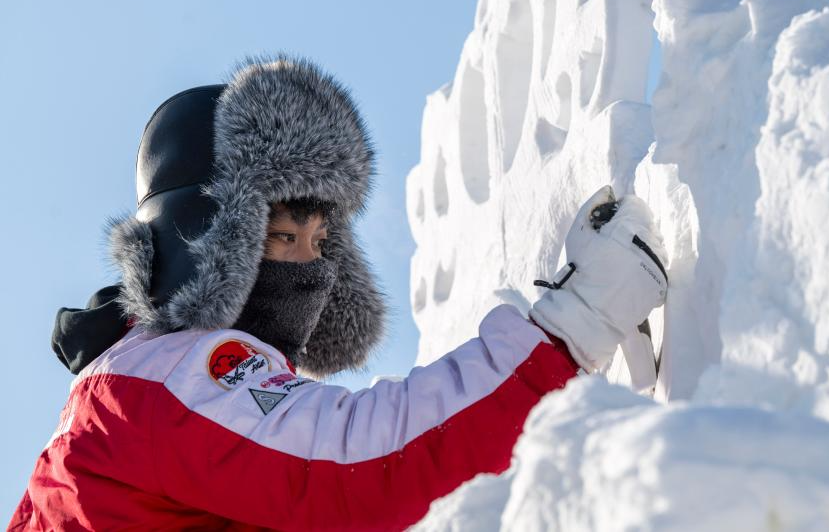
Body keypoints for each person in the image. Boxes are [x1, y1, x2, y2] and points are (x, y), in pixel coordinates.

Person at [10, 55, 668, 531]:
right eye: (281, 236)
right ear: (209, 240)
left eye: (321, 243)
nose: (308, 267)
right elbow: (364, 463)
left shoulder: (135, 384)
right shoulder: (164, 376)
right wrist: (570, 328)